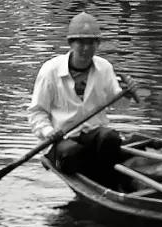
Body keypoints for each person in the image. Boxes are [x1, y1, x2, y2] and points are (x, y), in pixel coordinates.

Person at [27, 11, 133, 180]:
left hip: (94, 133)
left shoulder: (104, 67)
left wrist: (127, 94)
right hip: (64, 138)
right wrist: (48, 131)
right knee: (71, 153)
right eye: (81, 43)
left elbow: (118, 103)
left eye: (91, 43)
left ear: (97, 44)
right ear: (71, 43)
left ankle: (107, 178)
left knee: (111, 138)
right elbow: (37, 112)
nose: (86, 49)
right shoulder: (50, 70)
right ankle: (96, 176)